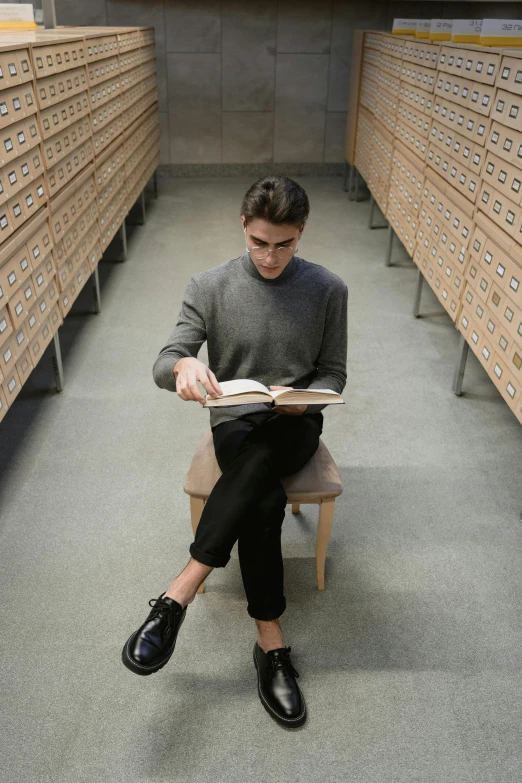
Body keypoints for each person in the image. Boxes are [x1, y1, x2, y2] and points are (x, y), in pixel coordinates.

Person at [121, 175, 348, 729]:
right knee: (264, 502)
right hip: (236, 422)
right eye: (259, 242)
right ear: (243, 227)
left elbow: (334, 370)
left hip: (294, 420)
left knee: (271, 455)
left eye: (285, 244)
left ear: (301, 234)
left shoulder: (327, 288)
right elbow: (165, 359)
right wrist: (184, 365)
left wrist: (305, 396)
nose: (270, 257)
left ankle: (179, 593)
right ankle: (271, 646)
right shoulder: (210, 285)